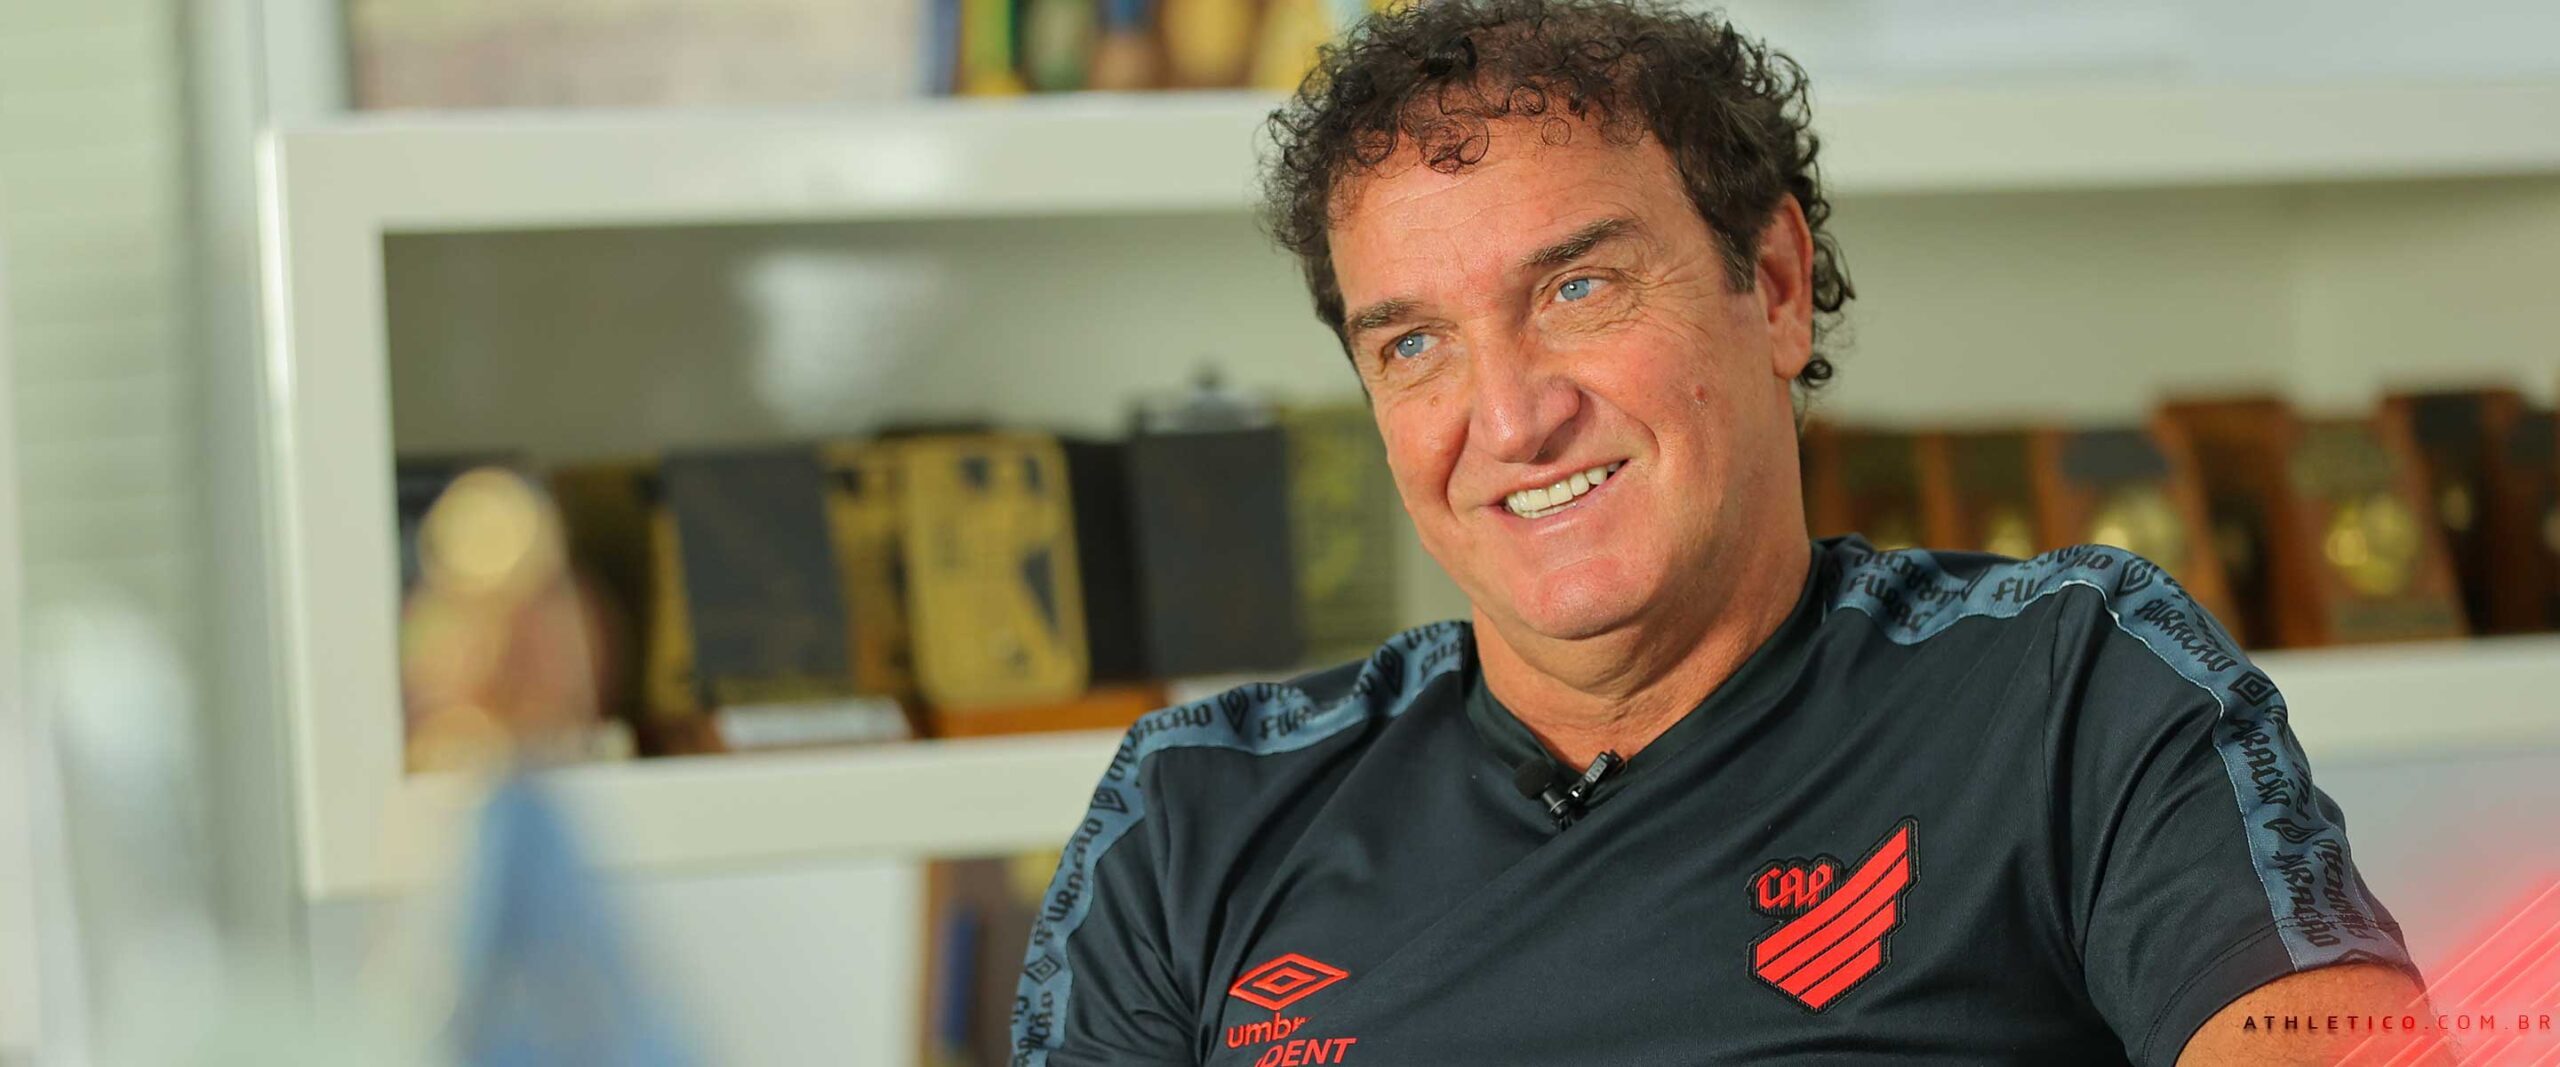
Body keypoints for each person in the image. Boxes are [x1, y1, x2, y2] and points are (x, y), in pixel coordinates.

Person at [1012, 1, 2433, 1063]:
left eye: (1577, 290)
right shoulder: (1195, 814)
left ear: (1775, 286)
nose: (1510, 420)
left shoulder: (2069, 687)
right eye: (1415, 345)